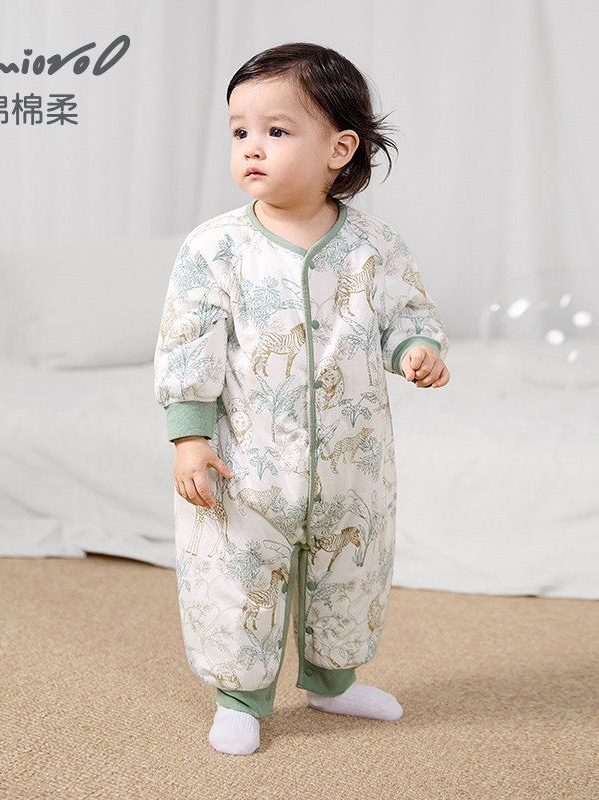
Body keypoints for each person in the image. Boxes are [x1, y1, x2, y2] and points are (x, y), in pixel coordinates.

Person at [153, 42, 449, 756]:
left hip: (352, 460)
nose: (252, 147)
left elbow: (406, 314)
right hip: (244, 464)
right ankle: (239, 697)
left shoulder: (375, 246)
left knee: (349, 570)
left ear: (338, 149)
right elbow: (188, 343)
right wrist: (189, 437)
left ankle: (333, 682)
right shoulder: (215, 248)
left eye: (276, 130)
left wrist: (416, 349)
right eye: (239, 131)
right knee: (236, 577)